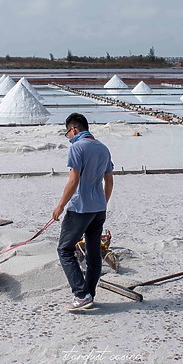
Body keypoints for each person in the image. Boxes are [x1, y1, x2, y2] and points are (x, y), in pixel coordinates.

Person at [53, 113, 114, 311]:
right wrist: (102, 202)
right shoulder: (103, 148)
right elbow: (109, 181)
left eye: (67, 133)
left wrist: (60, 205)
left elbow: (73, 181)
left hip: (80, 208)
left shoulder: (77, 147)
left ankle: (81, 294)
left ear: (74, 130)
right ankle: (89, 294)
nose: (68, 137)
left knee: (64, 249)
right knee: (94, 253)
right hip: (98, 208)